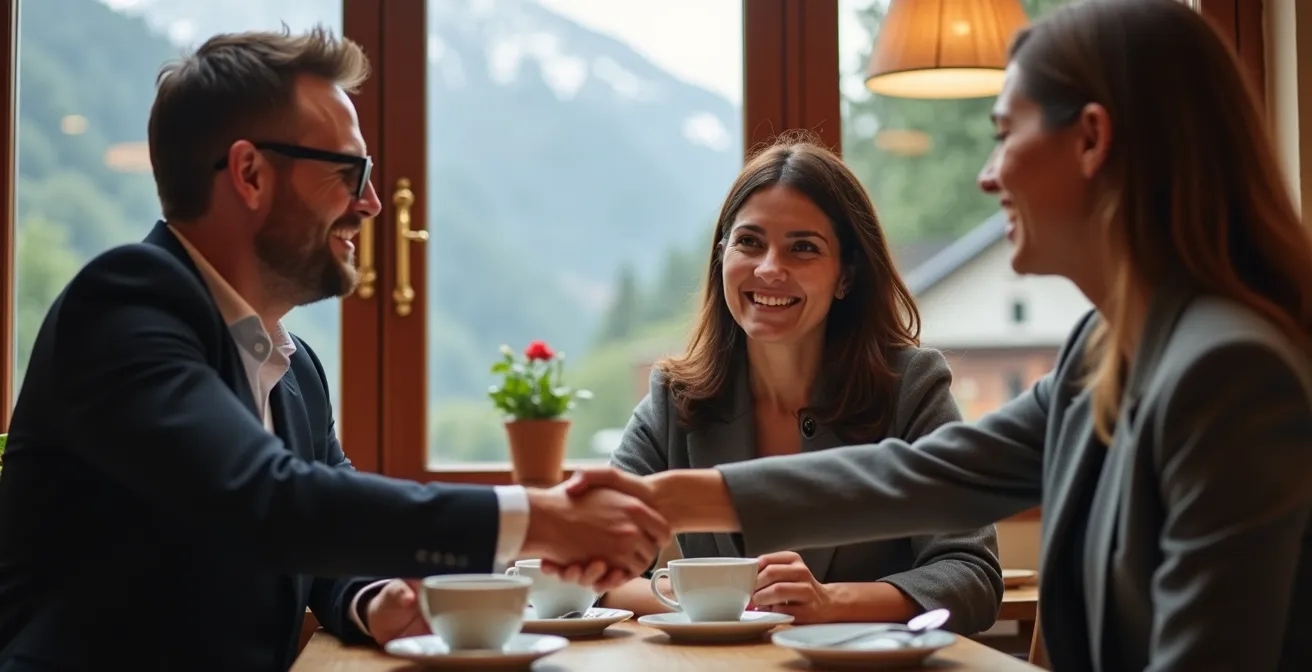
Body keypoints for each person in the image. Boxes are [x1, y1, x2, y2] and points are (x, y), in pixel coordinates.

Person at [556, 1, 1312, 670]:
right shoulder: (1103, 348)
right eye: (749, 243)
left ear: (1090, 140)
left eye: (1004, 133)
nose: (987, 175)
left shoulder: (1227, 368)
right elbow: (917, 477)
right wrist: (658, 499)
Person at [0, 27, 668, 670]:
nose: (373, 202)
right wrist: (539, 517)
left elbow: (317, 534)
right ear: (250, 174)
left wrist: (371, 598)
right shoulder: (124, 305)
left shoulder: (294, 369)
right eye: (351, 171)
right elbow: (269, 502)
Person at [599, 137, 1002, 633]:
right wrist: (720, 606)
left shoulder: (910, 387)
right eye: (749, 242)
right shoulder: (674, 396)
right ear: (722, 255)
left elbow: (971, 575)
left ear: (846, 276)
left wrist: (830, 602)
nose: (770, 268)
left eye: (803, 248)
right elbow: (600, 564)